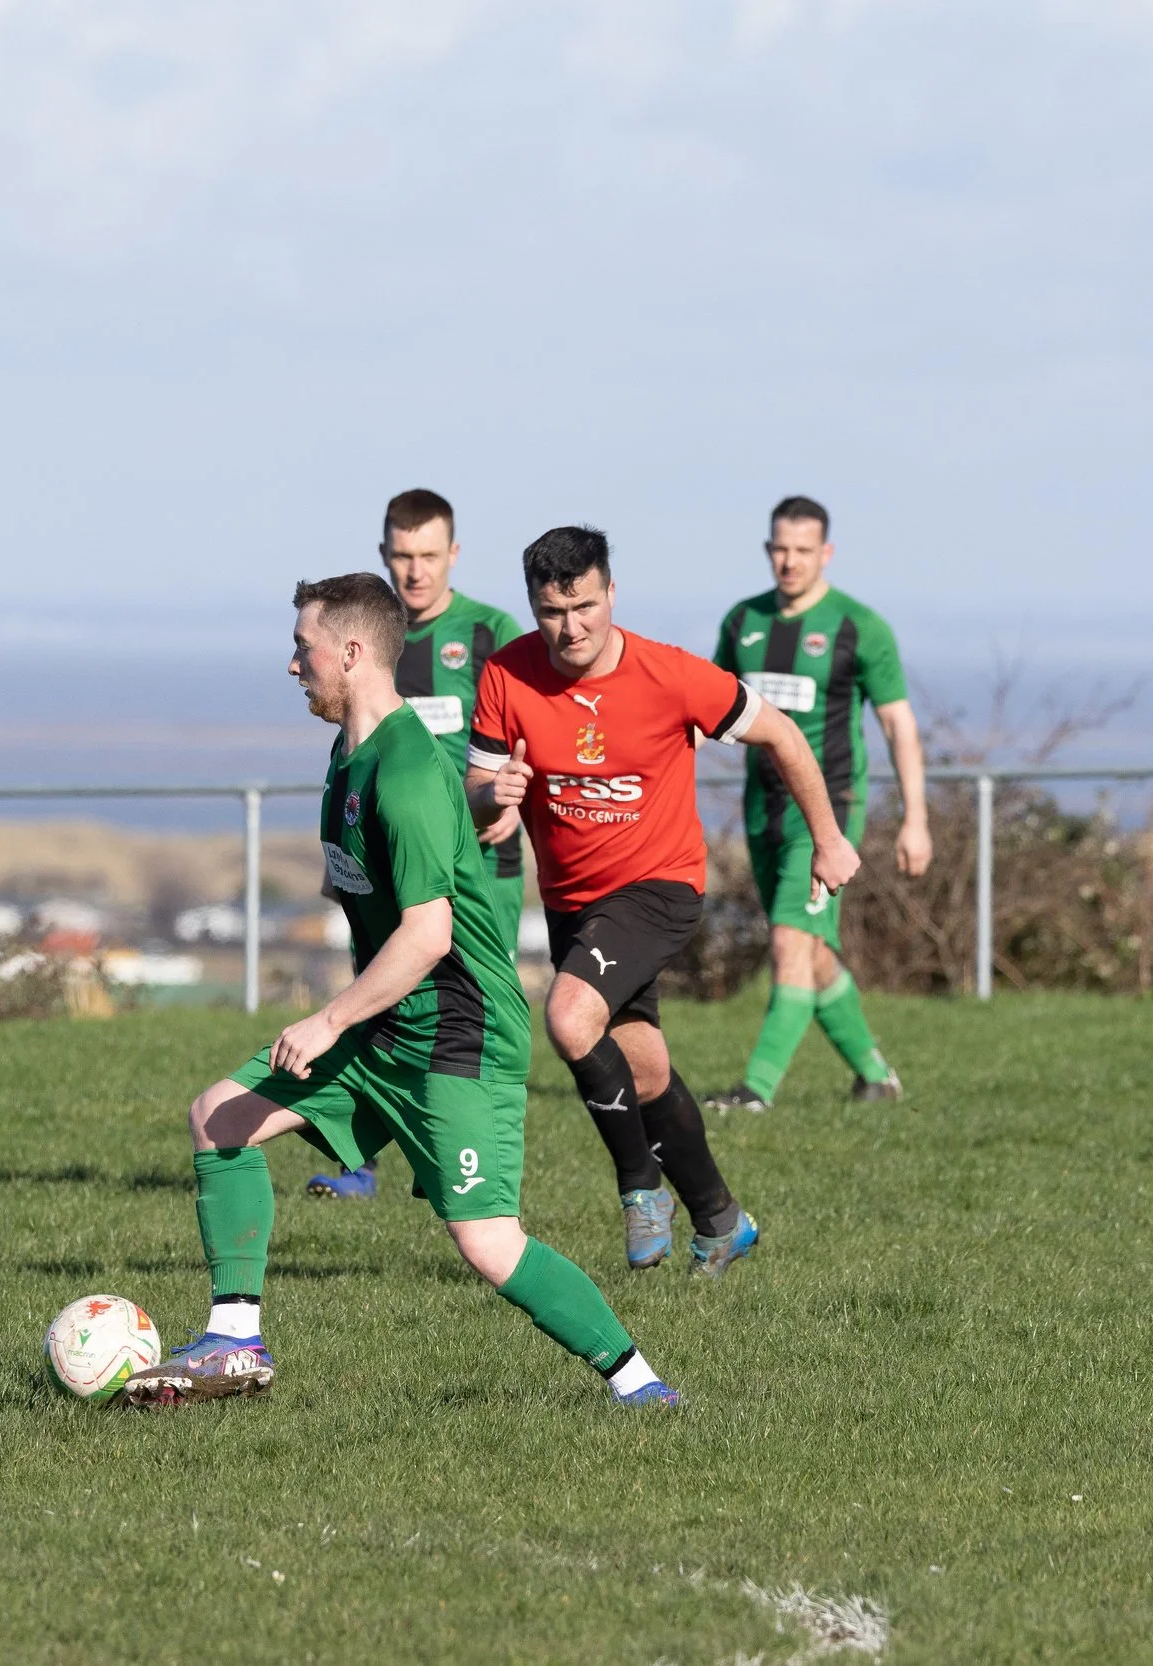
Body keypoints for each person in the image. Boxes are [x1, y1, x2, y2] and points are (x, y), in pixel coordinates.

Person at [123, 573, 678, 1409]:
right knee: (220, 1116)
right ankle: (236, 1340)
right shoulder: (350, 750)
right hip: (388, 1024)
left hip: (458, 1032)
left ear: (351, 652)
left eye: (303, 647)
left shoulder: (407, 769)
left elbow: (429, 934)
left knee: (488, 1244)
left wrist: (327, 1018)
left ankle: (641, 1387)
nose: (291, 664)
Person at [465, 527, 859, 1276]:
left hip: (659, 887)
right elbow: (479, 801)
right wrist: (494, 796)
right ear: (533, 606)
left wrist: (829, 839)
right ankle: (721, 1218)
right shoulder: (505, 675)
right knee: (642, 1072)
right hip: (572, 900)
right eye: (552, 611)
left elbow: (782, 735)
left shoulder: (673, 675)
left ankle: (641, 1186)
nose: (570, 626)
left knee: (568, 1016)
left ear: (612, 593)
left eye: (584, 606)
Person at [307, 489, 527, 1203]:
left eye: (428, 556)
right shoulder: (368, 637)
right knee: (377, 979)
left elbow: (528, 734)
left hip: (475, 850)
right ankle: (361, 1162)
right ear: (383, 556)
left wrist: (509, 795)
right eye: (401, 556)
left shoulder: (491, 632)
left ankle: (472, 1166)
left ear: (453, 555)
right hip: (384, 851)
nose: (414, 571)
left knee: (467, 1003)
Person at [703, 497, 931, 1113]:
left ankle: (755, 1093)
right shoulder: (742, 622)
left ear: (826, 553)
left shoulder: (859, 627)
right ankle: (876, 1077)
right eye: (780, 548)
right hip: (762, 809)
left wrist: (916, 819)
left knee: (786, 940)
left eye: (803, 550)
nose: (790, 561)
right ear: (767, 549)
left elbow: (899, 726)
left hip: (828, 813)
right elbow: (706, 709)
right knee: (811, 949)